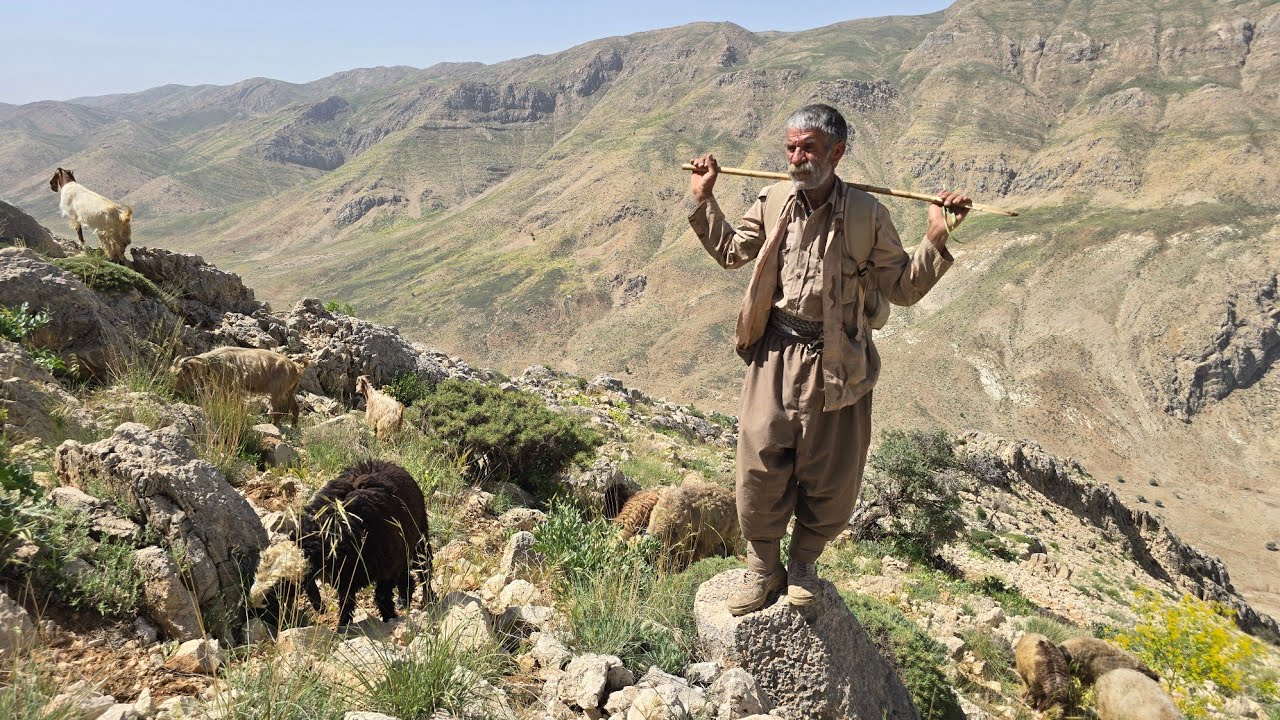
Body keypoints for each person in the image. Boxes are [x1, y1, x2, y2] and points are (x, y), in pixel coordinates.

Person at [687, 104, 970, 615]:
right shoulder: (772, 199)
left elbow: (902, 289)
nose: (797, 158)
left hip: (839, 362)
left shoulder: (868, 215)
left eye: (809, 148)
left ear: (836, 153)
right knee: (759, 462)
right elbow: (733, 251)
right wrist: (705, 200)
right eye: (791, 147)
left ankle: (804, 567)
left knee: (831, 473)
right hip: (774, 352)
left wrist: (936, 238)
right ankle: (762, 569)